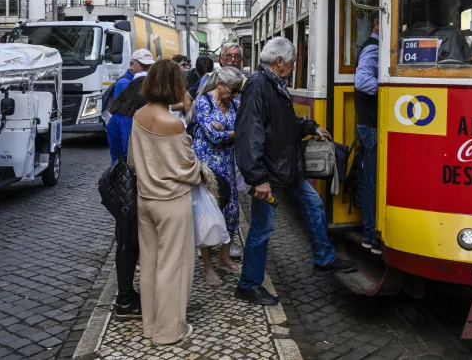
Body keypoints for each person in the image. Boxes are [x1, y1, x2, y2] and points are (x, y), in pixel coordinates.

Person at [234, 37, 356, 306]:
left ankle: (324, 259)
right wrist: (257, 178)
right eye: (291, 63)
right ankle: (248, 284)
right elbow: (249, 135)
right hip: (270, 173)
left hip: (286, 168)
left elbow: (284, 124)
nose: (292, 67)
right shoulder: (258, 86)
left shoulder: (273, 84)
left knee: (314, 205)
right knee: (262, 229)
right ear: (279, 62)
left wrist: (311, 127)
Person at [129, 60, 202, 344]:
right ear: (173, 85)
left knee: (150, 263)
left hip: (145, 198)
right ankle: (169, 331)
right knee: (173, 265)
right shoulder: (172, 123)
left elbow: (133, 161)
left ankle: (150, 326)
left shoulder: (138, 115)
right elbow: (189, 168)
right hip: (171, 201)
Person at [190, 67, 246, 286]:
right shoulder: (203, 102)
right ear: (220, 84)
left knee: (231, 211)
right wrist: (231, 133)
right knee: (208, 215)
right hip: (208, 166)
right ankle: (207, 266)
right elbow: (213, 136)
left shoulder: (232, 103)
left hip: (227, 164)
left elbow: (234, 129)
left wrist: (228, 132)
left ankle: (223, 257)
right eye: (232, 90)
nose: (234, 95)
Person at [104, 77, 147, 318]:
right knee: (129, 243)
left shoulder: (117, 115)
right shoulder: (133, 119)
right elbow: (134, 155)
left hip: (119, 182)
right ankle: (126, 300)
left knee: (125, 241)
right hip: (131, 183)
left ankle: (127, 296)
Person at [354, 18, 381, 254]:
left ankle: (370, 234)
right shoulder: (373, 48)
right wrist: (390, 89)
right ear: (376, 23)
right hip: (371, 125)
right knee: (373, 181)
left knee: (373, 179)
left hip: (370, 123)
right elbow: (362, 81)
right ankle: (369, 235)